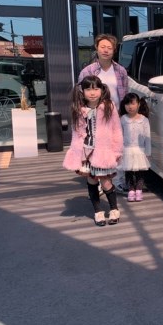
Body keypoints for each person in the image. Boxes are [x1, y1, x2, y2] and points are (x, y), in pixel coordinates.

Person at [63, 75, 123, 226]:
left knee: (106, 182)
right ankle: (98, 212)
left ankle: (114, 209)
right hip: (86, 151)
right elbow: (76, 133)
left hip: (103, 152)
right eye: (88, 89)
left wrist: (117, 151)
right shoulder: (78, 109)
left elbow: (116, 130)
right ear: (82, 91)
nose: (92, 92)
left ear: (101, 90)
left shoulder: (109, 106)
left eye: (96, 89)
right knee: (91, 181)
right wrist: (75, 152)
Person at [78, 33, 129, 193]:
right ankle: (99, 181)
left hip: (116, 115)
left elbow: (125, 92)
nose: (106, 50)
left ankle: (118, 181)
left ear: (114, 50)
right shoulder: (88, 71)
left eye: (109, 48)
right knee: (96, 148)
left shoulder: (120, 71)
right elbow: (80, 93)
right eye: (103, 47)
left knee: (117, 147)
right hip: (95, 116)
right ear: (97, 48)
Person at [119, 93, 151, 202]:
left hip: (140, 150)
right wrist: (119, 151)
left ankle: (139, 190)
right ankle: (131, 190)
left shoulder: (144, 120)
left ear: (138, 104)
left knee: (140, 171)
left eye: (133, 103)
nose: (130, 106)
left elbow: (147, 137)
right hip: (126, 150)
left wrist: (148, 152)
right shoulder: (123, 119)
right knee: (128, 171)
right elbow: (120, 136)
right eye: (127, 104)